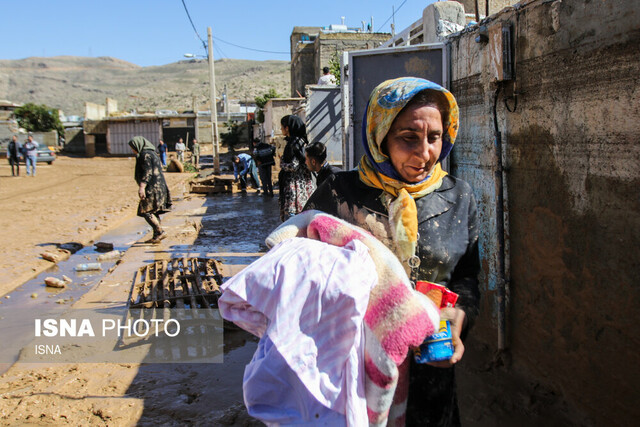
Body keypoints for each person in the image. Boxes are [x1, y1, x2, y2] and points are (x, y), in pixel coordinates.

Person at [304, 77, 480, 426]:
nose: (425, 153)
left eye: (435, 137)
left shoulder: (459, 196)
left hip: (431, 373)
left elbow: (467, 279)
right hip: (354, 374)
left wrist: (456, 320)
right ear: (380, 136)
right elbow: (301, 274)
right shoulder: (339, 196)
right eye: (408, 138)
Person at [128, 136, 172, 244]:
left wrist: (142, 187)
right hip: (159, 186)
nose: (132, 150)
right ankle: (156, 236)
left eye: (133, 147)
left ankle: (160, 231)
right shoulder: (153, 153)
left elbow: (147, 172)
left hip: (152, 188)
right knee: (153, 211)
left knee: (145, 211)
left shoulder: (145, 155)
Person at [278, 115, 315, 221]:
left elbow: (294, 166)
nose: (281, 129)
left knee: (293, 217)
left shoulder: (294, 143)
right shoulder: (301, 142)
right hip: (303, 184)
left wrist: (282, 163)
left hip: (295, 186)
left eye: (282, 127)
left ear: (287, 128)